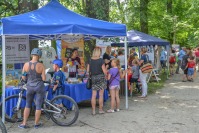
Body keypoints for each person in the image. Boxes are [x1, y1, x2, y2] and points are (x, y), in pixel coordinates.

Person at [19, 48, 46, 129]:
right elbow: (44, 79)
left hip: (29, 86)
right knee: (38, 105)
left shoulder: (26, 65)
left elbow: (23, 77)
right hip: (39, 86)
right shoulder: (41, 65)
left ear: (32, 55)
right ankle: (36, 124)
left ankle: (24, 123)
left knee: (27, 105)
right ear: (39, 56)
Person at [87, 47, 107, 115]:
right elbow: (104, 71)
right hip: (101, 77)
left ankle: (93, 111)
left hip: (93, 77)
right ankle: (100, 110)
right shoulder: (101, 60)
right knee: (101, 95)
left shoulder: (90, 60)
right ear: (99, 52)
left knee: (93, 95)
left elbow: (87, 71)